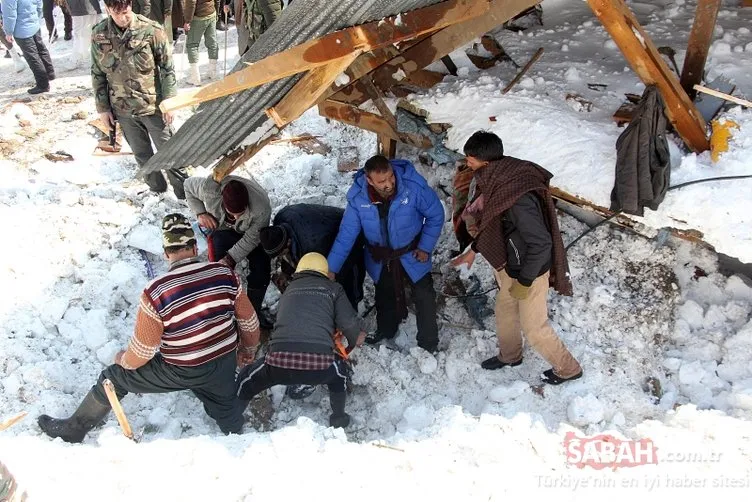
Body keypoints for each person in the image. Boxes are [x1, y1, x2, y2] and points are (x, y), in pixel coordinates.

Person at [37, 214, 261, 443]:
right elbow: (250, 323)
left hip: (181, 369)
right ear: (195, 248)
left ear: (166, 254)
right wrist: (247, 351)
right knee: (225, 407)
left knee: (112, 378)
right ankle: (237, 438)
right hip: (222, 362)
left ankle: (74, 429)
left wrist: (122, 359)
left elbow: (142, 353)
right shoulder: (225, 274)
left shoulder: (156, 292)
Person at [451, 131, 583, 385]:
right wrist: (473, 251)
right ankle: (510, 356)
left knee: (534, 328)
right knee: (505, 312)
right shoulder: (499, 179)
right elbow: (492, 221)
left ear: (486, 162)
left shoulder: (517, 197)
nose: (468, 164)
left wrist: (524, 280)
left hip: (530, 270)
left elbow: (541, 243)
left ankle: (569, 369)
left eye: (471, 159)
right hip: (511, 264)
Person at [327, 155, 444, 353]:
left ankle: (429, 342)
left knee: (424, 296)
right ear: (369, 180)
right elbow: (346, 235)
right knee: (384, 294)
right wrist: (331, 268)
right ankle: (386, 330)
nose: (389, 184)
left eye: (391, 177)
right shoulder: (358, 198)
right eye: (382, 182)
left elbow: (436, 215)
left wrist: (425, 247)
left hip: (412, 253)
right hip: (380, 257)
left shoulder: (412, 186)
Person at [236, 253, 365, 429]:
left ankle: (233, 419)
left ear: (300, 271)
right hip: (319, 366)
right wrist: (350, 344)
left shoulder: (289, 290)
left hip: (278, 362)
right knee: (339, 376)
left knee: (246, 380)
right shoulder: (334, 289)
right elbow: (349, 323)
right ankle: (338, 419)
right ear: (325, 272)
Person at [92, 0, 188, 199]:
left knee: (170, 153)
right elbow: (97, 73)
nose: (122, 17)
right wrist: (103, 108)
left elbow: (167, 69)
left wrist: (170, 101)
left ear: (130, 6)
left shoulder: (151, 30)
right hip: (123, 109)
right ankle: (157, 190)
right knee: (142, 155)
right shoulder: (99, 34)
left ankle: (184, 193)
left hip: (153, 107)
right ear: (108, 10)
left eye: (125, 12)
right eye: (116, 13)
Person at [184, 174, 273, 329]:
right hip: (223, 231)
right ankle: (223, 316)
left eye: (241, 212)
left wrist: (231, 258)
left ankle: (253, 313)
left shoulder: (261, 207)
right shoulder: (209, 190)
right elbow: (188, 186)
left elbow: (252, 238)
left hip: (251, 233)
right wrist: (200, 213)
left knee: (262, 269)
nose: (237, 216)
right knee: (218, 272)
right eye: (232, 213)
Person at [259, 203, 366, 311]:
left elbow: (320, 276)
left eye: (281, 253)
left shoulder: (313, 246)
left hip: (350, 232)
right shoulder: (280, 221)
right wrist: (286, 272)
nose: (281, 256)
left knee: (344, 275)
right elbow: (290, 253)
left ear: (288, 242)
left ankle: (351, 308)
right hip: (320, 225)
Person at [2, 0, 56, 94]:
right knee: (41, 49)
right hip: (34, 23)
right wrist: (37, 18)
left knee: (32, 57)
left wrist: (8, 32)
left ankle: (43, 84)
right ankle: (50, 73)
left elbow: (9, 14)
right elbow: (39, 3)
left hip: (22, 29)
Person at [183, 0, 218, 84]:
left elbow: (191, 2)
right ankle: (212, 72)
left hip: (198, 16)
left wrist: (187, 21)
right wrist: (217, 11)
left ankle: (195, 78)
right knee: (212, 42)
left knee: (192, 45)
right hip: (211, 12)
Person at [66, 0, 101, 68]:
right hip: (78, 7)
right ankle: (79, 55)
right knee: (81, 33)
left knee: (92, 32)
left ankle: (79, 56)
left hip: (87, 7)